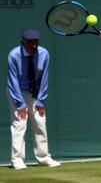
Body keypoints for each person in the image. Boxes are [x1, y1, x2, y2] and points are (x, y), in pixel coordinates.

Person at [7, 28, 61, 170]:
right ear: (23, 42)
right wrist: (20, 104)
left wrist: (40, 100)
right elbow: (12, 81)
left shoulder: (44, 53)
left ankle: (43, 158)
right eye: (30, 42)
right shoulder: (13, 55)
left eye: (36, 42)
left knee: (40, 122)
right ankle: (17, 160)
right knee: (20, 123)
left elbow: (44, 79)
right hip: (16, 91)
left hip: (35, 92)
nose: (34, 45)